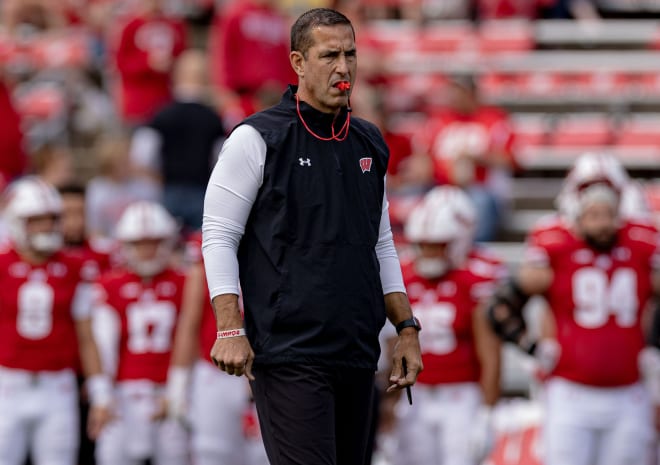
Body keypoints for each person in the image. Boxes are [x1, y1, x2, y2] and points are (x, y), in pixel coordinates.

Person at [201, 8, 423, 465]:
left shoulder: (369, 141)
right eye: (329, 55)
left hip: (358, 353)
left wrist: (405, 328)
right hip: (290, 353)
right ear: (298, 62)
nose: (343, 67)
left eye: (350, 54)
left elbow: (380, 241)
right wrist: (229, 326)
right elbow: (219, 233)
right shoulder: (257, 137)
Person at [486, 159, 659, 465]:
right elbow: (498, 308)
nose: (602, 222)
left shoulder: (642, 243)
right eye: (593, 214)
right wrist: (532, 346)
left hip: (630, 392)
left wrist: (655, 348)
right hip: (569, 391)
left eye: (607, 213)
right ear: (577, 212)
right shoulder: (557, 246)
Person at [0, 176, 112, 465]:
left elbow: (87, 335)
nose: (46, 227)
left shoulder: (75, 268)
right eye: (37, 220)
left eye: (51, 219)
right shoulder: (2, 264)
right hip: (7, 384)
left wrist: (101, 394)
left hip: (57, 388)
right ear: (16, 221)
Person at [391, 185, 503, 465]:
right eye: (423, 243)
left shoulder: (476, 276)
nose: (428, 252)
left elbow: (490, 350)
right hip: (413, 393)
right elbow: (387, 344)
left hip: (460, 395)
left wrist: (487, 412)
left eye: (438, 244)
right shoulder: (403, 274)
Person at [91, 200, 189, 465]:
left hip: (171, 390)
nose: (147, 251)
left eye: (154, 242)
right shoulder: (109, 285)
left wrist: (179, 390)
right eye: (139, 243)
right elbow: (102, 345)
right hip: (124, 394)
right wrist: (102, 394)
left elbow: (190, 338)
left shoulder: (184, 282)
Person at [167, 232, 268, 465]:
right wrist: (179, 383)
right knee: (212, 452)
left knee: (265, 454)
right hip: (215, 371)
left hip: (266, 367)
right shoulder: (209, 240)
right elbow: (190, 320)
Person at [130, 49, 226, 232]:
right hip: (202, 192)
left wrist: (161, 180)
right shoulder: (213, 118)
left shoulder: (160, 115)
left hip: (168, 192)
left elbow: (141, 158)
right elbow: (221, 160)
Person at [416, 75, 518, 242]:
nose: (455, 97)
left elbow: (509, 160)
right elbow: (421, 155)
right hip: (440, 187)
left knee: (481, 202)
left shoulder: (494, 119)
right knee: (413, 197)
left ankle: (474, 250)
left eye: (460, 92)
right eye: (453, 92)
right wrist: (423, 165)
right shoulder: (439, 120)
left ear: (472, 94)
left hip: (479, 188)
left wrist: (475, 158)